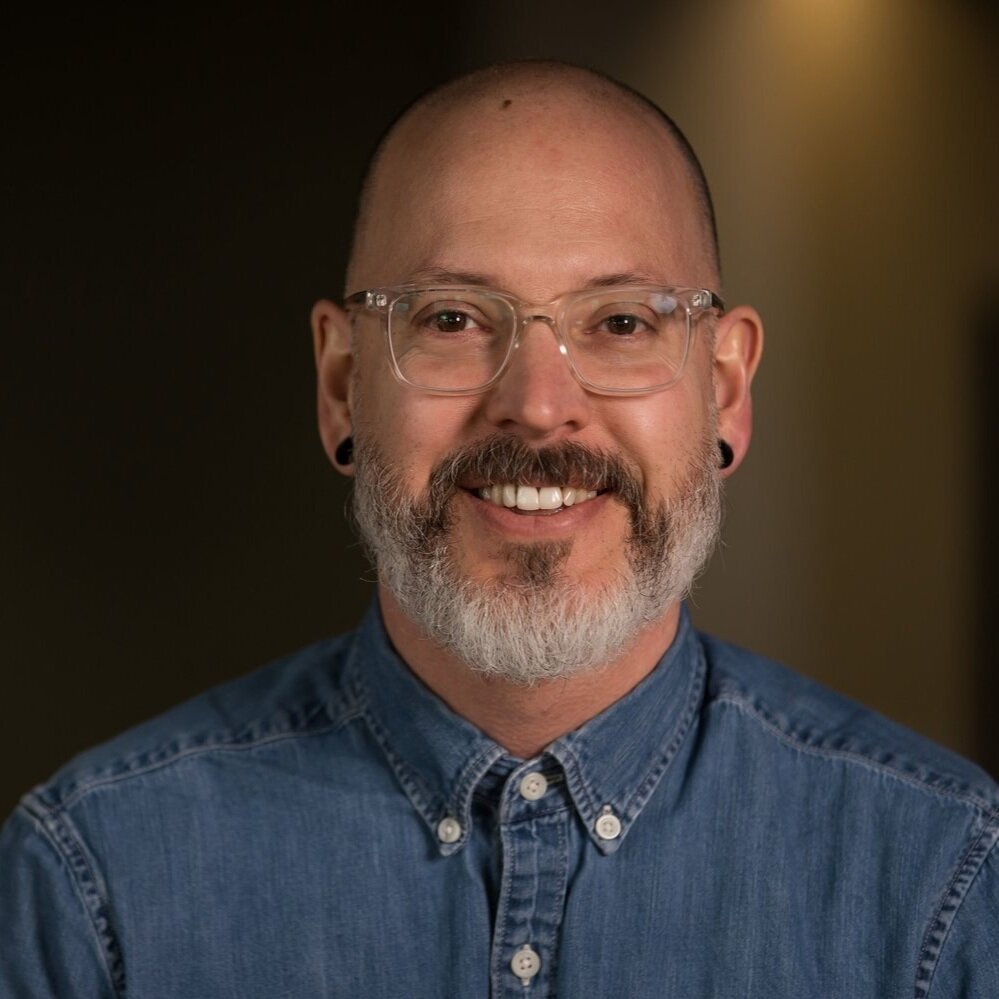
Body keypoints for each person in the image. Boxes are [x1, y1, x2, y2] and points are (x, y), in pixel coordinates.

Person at [1, 61, 996, 998]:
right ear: (343, 385)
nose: (537, 405)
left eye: (620, 322)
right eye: (452, 319)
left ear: (726, 390)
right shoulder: (97, 886)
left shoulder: (943, 884)